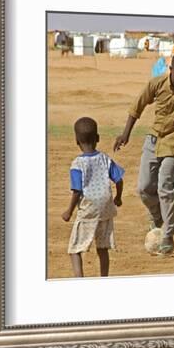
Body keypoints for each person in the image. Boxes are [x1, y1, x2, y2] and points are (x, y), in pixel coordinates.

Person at [114, 52, 174, 254]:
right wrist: (125, 134)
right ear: (171, 70)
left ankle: (168, 235)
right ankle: (157, 218)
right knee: (144, 187)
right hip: (154, 139)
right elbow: (136, 106)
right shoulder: (156, 83)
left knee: (166, 184)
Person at [62, 117, 124, 277]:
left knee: (75, 249)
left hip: (89, 209)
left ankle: (79, 280)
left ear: (77, 141)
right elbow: (119, 179)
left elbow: (77, 190)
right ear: (98, 138)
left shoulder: (77, 164)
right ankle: (104, 278)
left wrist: (69, 211)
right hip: (106, 208)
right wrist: (118, 197)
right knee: (102, 247)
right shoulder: (105, 158)